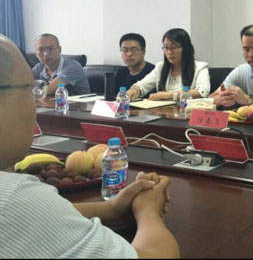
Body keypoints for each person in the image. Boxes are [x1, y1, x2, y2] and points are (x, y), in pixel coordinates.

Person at [0, 33, 180, 258]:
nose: (36, 104)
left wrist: (111, 208)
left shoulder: (17, 203)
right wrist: (148, 211)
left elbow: (36, 215)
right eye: (30, 89)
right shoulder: (13, 199)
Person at [127, 28, 209, 101]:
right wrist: (133, 91)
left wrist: (168, 95)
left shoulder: (200, 67)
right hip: (163, 112)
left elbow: (202, 92)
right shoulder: (161, 67)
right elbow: (142, 86)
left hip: (187, 111)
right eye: (166, 47)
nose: (169, 52)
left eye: (174, 47)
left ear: (185, 48)